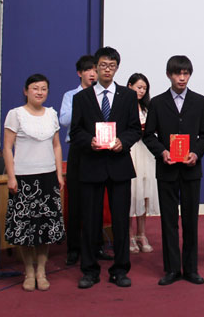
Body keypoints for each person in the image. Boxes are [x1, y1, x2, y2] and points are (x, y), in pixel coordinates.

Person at [69, 46, 142, 289]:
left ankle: (120, 270)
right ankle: (89, 270)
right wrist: (89, 141)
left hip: (119, 165)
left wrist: (123, 141)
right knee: (90, 221)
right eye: (103, 65)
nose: (107, 69)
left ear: (117, 68)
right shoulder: (82, 98)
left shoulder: (128, 96)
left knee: (121, 221)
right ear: (96, 68)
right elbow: (75, 131)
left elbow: (134, 129)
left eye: (112, 66)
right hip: (91, 165)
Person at [143, 55, 204, 286]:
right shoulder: (158, 102)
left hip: (191, 169)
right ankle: (172, 269)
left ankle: (191, 269)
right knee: (169, 221)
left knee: (191, 221)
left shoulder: (200, 101)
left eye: (185, 73)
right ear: (168, 75)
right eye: (177, 73)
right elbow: (148, 135)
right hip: (167, 168)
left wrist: (196, 153)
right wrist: (162, 152)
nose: (182, 78)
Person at [3, 73, 66, 292]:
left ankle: (41, 271)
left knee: (45, 227)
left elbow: (57, 145)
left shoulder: (51, 114)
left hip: (48, 177)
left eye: (44, 89)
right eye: (35, 88)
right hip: (24, 178)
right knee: (25, 228)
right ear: (26, 91)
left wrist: (59, 174)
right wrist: (11, 177)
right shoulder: (16, 114)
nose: (40, 92)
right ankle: (29, 271)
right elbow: (7, 147)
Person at [58, 55, 102, 266]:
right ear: (80, 73)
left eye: (95, 70)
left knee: (97, 201)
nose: (92, 74)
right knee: (75, 201)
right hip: (78, 149)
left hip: (99, 149)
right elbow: (64, 120)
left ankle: (96, 245)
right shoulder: (71, 95)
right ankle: (74, 248)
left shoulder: (102, 94)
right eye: (88, 70)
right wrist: (83, 101)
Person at [127, 73, 158, 255]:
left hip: (146, 151)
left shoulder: (148, 108)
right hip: (130, 151)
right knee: (131, 193)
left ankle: (142, 233)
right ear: (129, 86)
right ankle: (129, 234)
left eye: (144, 88)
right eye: (138, 87)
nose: (141, 91)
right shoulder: (123, 106)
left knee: (145, 192)